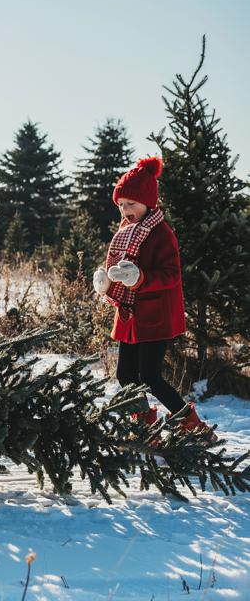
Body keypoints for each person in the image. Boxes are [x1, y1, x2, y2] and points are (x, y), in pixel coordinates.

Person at [92, 156, 211, 434]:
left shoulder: (161, 233)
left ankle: (192, 425)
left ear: (148, 202)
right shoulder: (125, 231)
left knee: (150, 377)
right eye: (121, 204)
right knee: (125, 375)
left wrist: (140, 278)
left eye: (131, 204)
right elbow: (118, 268)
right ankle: (144, 422)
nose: (125, 210)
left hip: (155, 316)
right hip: (129, 314)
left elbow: (171, 275)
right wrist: (107, 281)